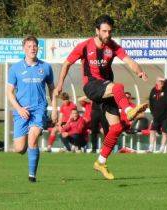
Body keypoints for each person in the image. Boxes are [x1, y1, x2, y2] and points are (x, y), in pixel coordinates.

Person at [53, 15, 149, 180]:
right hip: (91, 86)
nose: (107, 34)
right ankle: (129, 110)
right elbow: (67, 63)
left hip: (106, 90)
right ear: (97, 31)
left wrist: (139, 71)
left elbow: (129, 61)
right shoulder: (84, 46)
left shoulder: (112, 47)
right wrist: (60, 84)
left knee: (117, 128)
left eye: (109, 31)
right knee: (118, 87)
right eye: (104, 31)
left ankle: (101, 162)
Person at [7, 35, 55, 183]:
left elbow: (52, 89)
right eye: (29, 46)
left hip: (39, 110)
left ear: (37, 48)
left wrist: (54, 110)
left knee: (33, 139)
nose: (32, 49)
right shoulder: (15, 68)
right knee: (19, 149)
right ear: (24, 49)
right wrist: (19, 109)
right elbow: (9, 92)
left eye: (34, 46)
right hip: (21, 111)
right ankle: (29, 135)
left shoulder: (46, 67)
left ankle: (32, 176)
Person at [148, 77, 167, 153]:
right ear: (157, 82)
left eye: (162, 82)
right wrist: (153, 113)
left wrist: (165, 79)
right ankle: (150, 148)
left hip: (166, 116)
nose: (161, 83)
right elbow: (150, 103)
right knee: (152, 130)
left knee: (164, 132)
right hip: (156, 117)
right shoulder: (153, 91)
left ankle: (162, 149)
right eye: (160, 81)